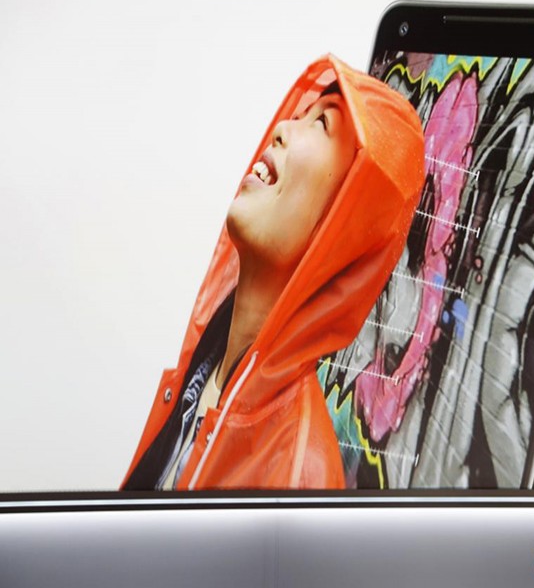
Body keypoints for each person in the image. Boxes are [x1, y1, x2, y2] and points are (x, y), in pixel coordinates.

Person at [121, 54, 425, 490]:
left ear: (345, 222)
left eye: (321, 124)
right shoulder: (201, 372)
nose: (281, 129)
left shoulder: (299, 478)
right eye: (300, 115)